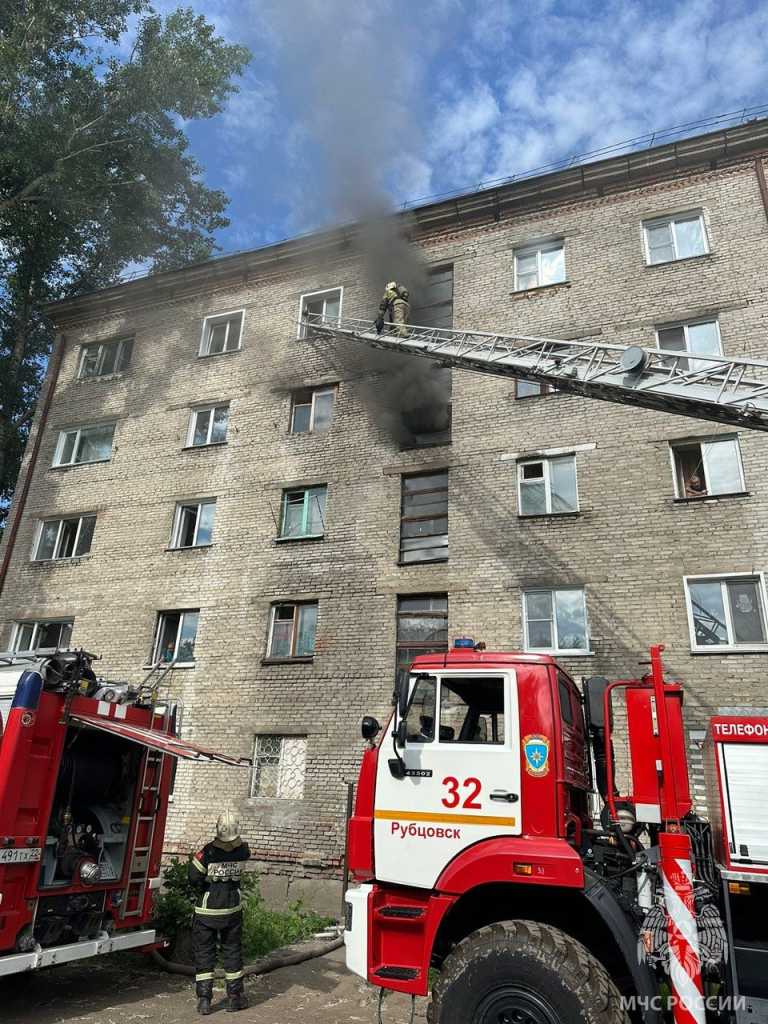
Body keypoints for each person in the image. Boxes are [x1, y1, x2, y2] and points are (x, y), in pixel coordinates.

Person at [188, 810, 251, 1015]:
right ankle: (235, 999)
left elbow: (193, 877)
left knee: (205, 954)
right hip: (232, 910)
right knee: (232, 952)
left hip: (207, 911)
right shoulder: (243, 851)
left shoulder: (207, 852)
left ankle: (205, 1001)